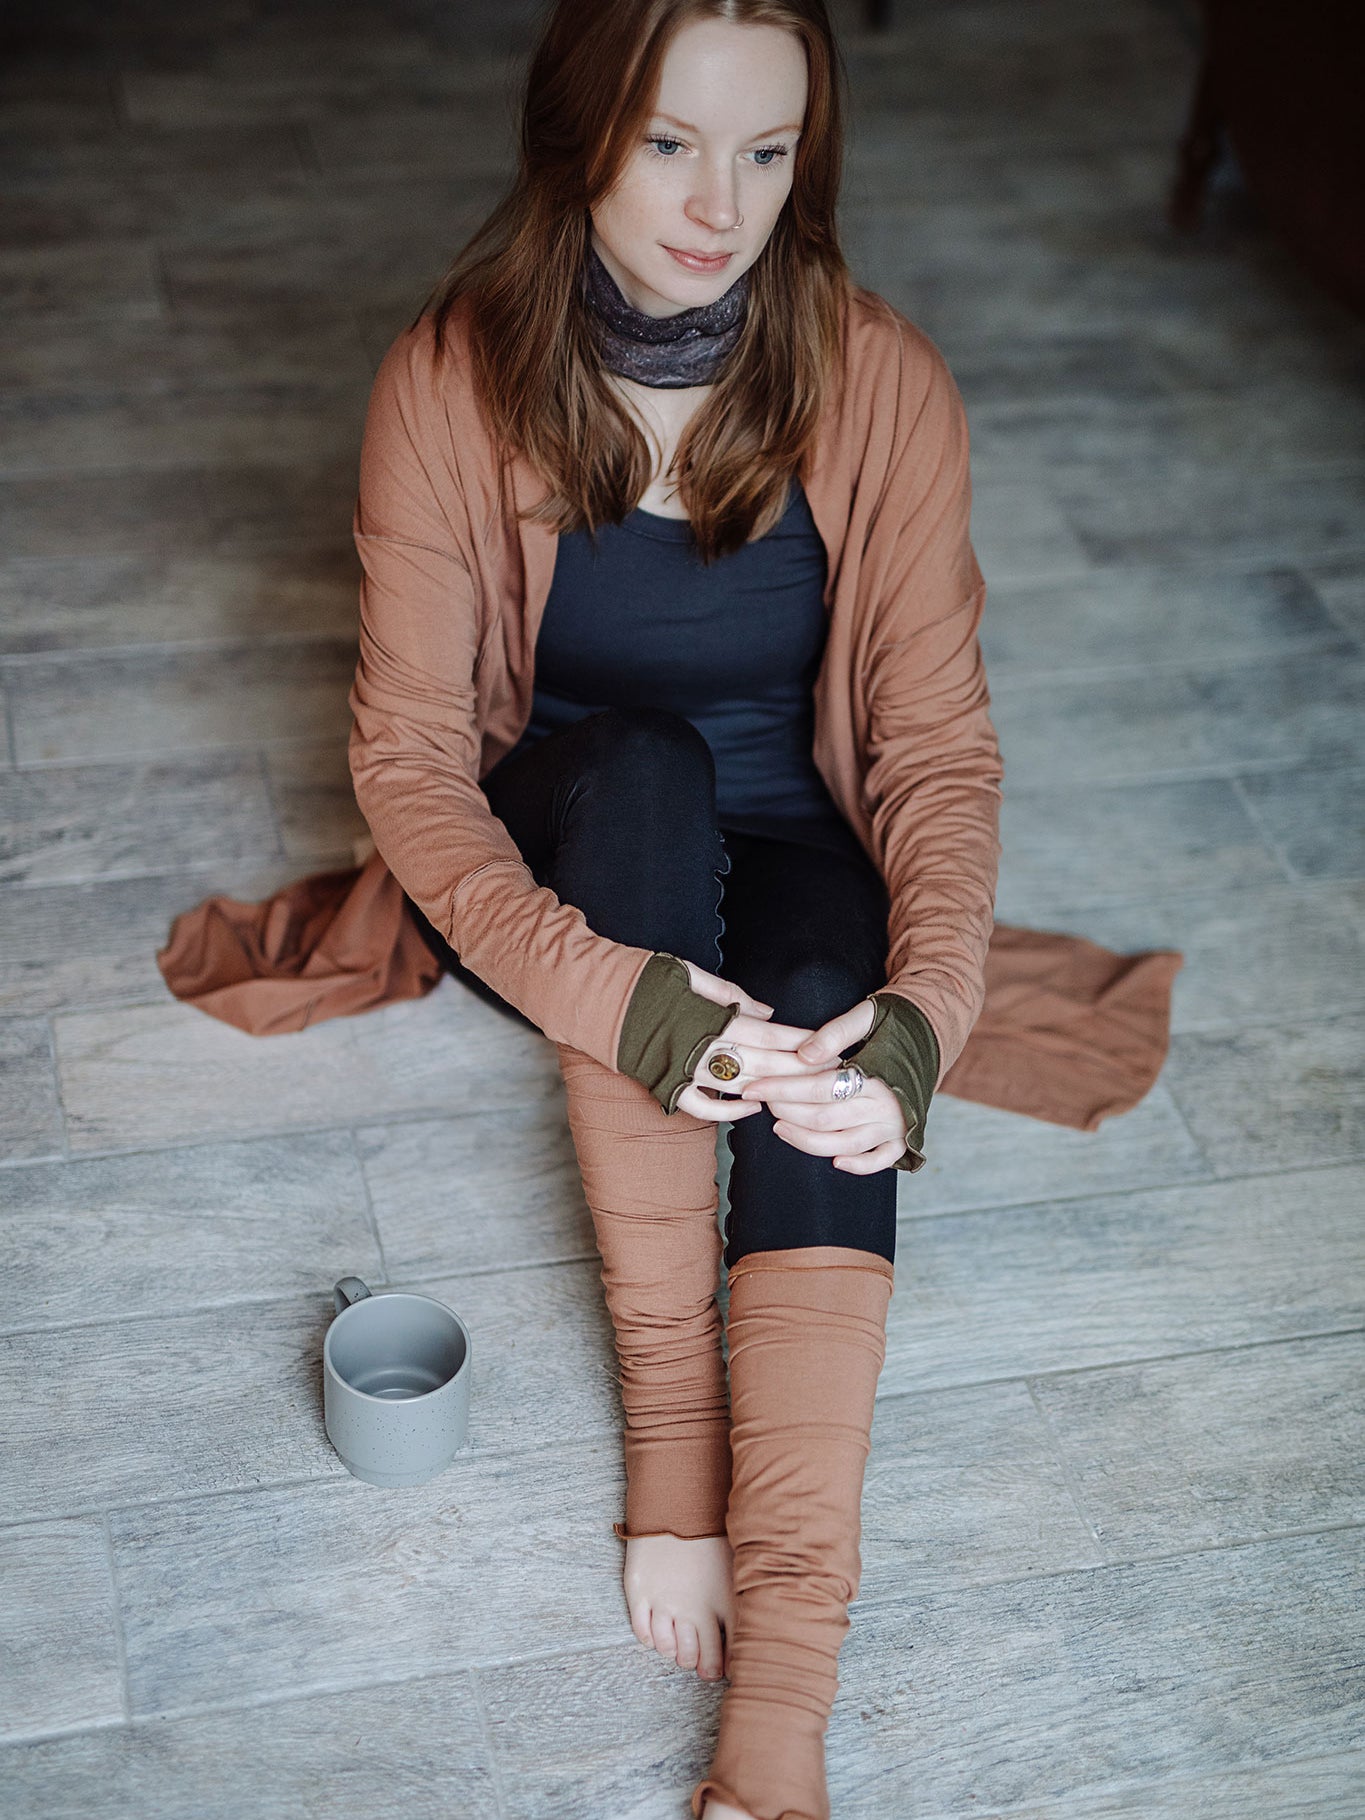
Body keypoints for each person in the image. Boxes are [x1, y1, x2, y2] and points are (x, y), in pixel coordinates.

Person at [343, 4, 996, 1816]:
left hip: (791, 835)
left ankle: (780, 1713)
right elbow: (406, 764)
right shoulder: (448, 377)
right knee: (636, 781)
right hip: (567, 866)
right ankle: (673, 1447)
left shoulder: (880, 381)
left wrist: (926, 1014)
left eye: (767, 151)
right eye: (670, 143)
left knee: (817, 988)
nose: (723, 204)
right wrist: (614, 992)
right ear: (579, 131)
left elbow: (935, 752)